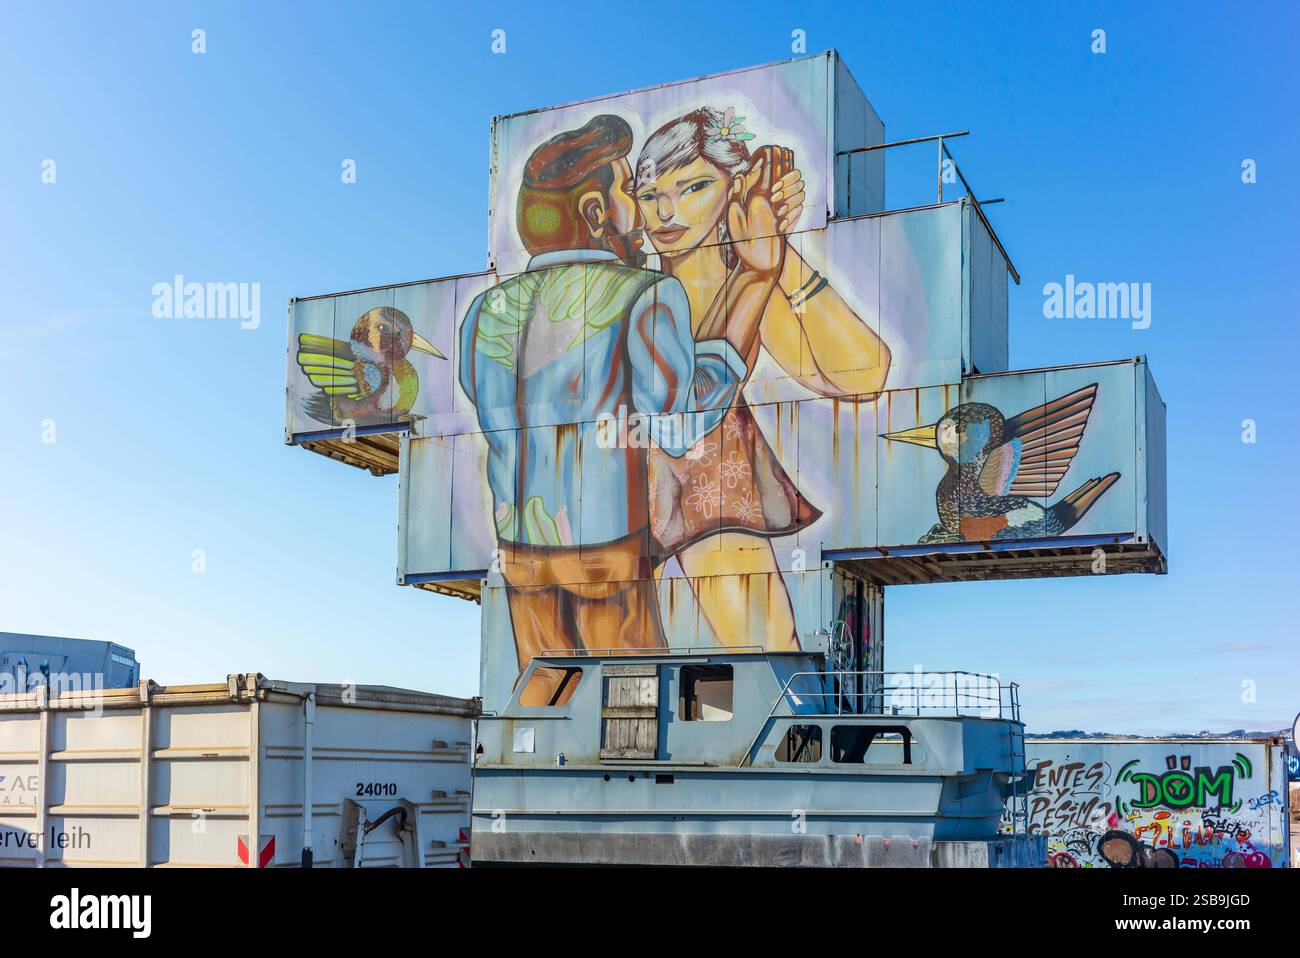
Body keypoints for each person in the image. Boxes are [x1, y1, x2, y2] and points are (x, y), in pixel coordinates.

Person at [459, 114, 786, 702]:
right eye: (628, 191)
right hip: (605, 548)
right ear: (594, 211)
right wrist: (753, 282)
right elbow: (678, 424)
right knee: (632, 705)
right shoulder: (644, 293)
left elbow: (483, 401)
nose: (639, 207)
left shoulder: (485, 312)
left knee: (546, 695)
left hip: (519, 548)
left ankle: (533, 789)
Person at [634, 107, 892, 651]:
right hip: (642, 480)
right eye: (650, 194)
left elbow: (864, 373)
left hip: (715, 480)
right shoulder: (634, 295)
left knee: (766, 651)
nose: (667, 211)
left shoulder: (750, 278)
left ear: (734, 191)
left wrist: (780, 255)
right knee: (639, 659)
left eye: (694, 186)